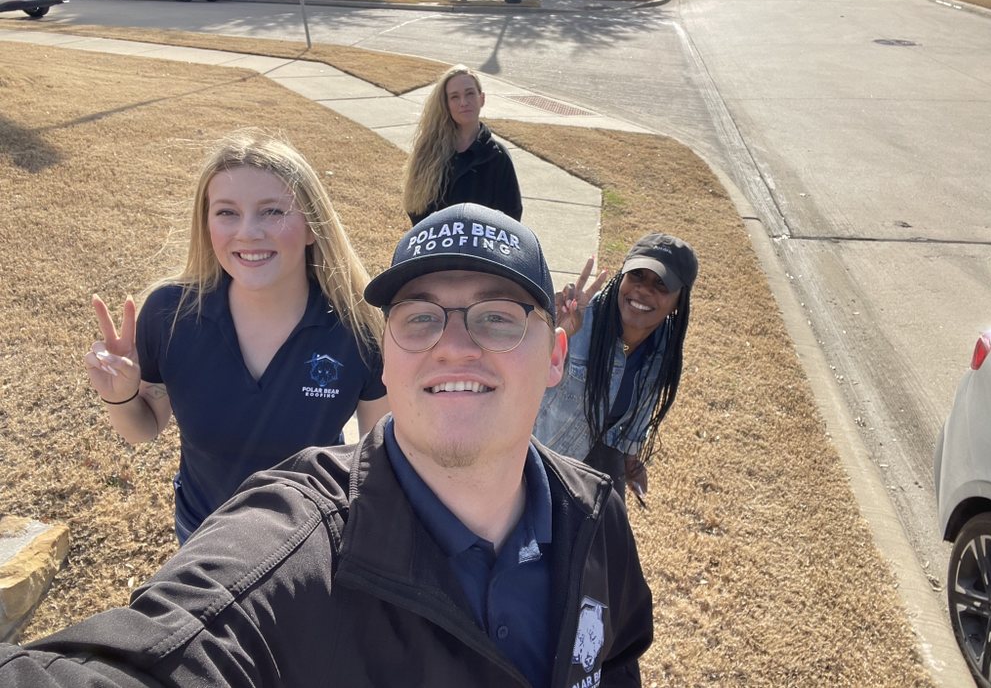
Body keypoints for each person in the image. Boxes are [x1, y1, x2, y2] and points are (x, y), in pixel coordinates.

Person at [3, 204, 653, 687]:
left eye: (498, 318)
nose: (454, 345)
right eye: (420, 316)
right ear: (388, 360)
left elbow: (616, 656)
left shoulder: (595, 515)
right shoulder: (292, 551)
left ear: (554, 356)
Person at [84, 129, 389, 543]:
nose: (248, 232)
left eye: (272, 211)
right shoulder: (171, 314)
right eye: (227, 212)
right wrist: (119, 396)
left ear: (312, 227)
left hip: (307, 545)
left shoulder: (359, 328)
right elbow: (145, 427)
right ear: (206, 222)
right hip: (201, 537)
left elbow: (376, 460)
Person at [534, 234, 698, 504]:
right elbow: (518, 377)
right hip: (544, 459)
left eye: (661, 284)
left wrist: (630, 460)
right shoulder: (578, 320)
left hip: (598, 460)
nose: (643, 290)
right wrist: (553, 332)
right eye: (636, 276)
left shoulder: (664, 345)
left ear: (679, 301)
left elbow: (643, 406)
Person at [402, 64, 522, 225]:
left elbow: (511, 218)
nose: (463, 102)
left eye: (470, 93)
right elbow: (415, 207)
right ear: (447, 104)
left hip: (479, 249)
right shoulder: (428, 150)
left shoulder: (497, 157)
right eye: (455, 97)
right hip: (436, 247)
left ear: (482, 99)